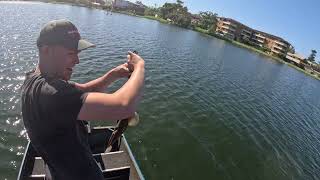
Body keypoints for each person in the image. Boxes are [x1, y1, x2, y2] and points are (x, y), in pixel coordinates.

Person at [21, 19, 145, 180]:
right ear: (46, 50)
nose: (77, 60)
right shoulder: (52, 94)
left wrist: (114, 74)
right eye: (71, 53)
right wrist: (140, 67)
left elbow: (84, 90)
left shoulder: (36, 79)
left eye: (77, 53)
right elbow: (124, 106)